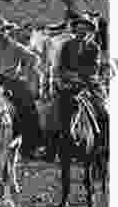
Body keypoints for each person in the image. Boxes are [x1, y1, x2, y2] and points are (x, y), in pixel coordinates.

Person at [46, 18, 109, 160]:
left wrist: (81, 76)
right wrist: (68, 77)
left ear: (89, 32)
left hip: (88, 85)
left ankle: (104, 145)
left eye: (85, 30)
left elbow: (94, 67)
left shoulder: (94, 48)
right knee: (52, 112)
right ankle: (50, 149)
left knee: (103, 111)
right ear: (75, 31)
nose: (82, 33)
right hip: (68, 85)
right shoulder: (66, 46)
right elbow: (61, 66)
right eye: (79, 30)